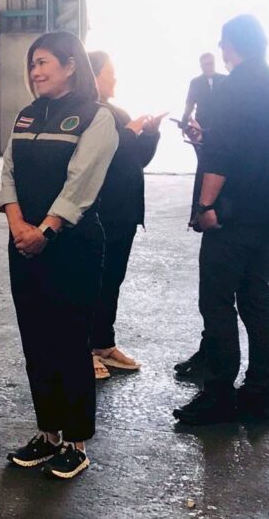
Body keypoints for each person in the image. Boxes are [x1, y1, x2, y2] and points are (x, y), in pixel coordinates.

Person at [0, 32, 118, 480]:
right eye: (32, 64)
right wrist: (17, 225)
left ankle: (76, 441)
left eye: (44, 62)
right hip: (24, 244)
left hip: (72, 246)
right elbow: (8, 173)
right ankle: (48, 433)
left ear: (71, 66)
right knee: (36, 340)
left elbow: (80, 185)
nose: (35, 72)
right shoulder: (27, 115)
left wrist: (45, 230)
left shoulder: (95, 117)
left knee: (69, 341)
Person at [173, 15, 269, 426]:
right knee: (258, 300)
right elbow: (265, 148)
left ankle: (218, 396)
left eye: (223, 42)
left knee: (217, 302)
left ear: (234, 45)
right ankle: (259, 396)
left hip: (232, 214)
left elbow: (224, 155)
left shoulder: (232, 89)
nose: (221, 50)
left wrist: (205, 206)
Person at [87, 51, 162, 379]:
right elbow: (104, 157)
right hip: (99, 213)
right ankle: (82, 348)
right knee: (92, 283)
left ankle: (103, 343)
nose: (115, 78)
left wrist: (150, 135)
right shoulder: (88, 114)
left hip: (125, 215)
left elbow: (135, 160)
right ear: (93, 76)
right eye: (110, 72)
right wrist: (130, 134)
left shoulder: (118, 113)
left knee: (112, 281)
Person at [182, 52, 226, 128]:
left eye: (211, 63)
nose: (209, 67)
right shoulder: (195, 82)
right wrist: (184, 121)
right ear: (201, 66)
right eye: (206, 64)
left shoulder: (225, 79)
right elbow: (189, 104)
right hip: (201, 125)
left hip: (222, 123)